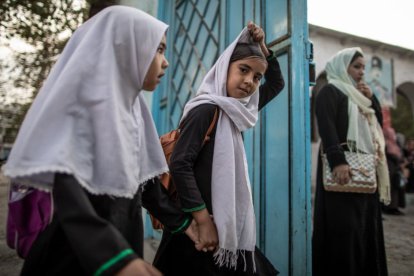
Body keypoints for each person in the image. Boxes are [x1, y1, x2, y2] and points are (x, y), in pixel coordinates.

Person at [2, 6, 197, 276]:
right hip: (76, 254)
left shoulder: (134, 110)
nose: (165, 62)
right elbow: (68, 190)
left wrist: (186, 224)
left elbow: (146, 184)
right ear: (125, 48)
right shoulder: (83, 107)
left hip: (123, 243)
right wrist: (116, 260)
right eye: (158, 49)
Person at [153, 22, 285, 275]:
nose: (250, 81)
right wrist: (202, 219)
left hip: (221, 221)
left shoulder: (238, 109)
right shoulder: (205, 109)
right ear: (224, 69)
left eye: (257, 77)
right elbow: (180, 164)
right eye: (243, 70)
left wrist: (265, 50)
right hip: (197, 222)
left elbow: (277, 83)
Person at [313, 47, 390, 276]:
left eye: (363, 68)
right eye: (356, 66)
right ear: (341, 66)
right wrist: (338, 162)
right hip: (343, 171)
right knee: (345, 230)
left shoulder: (359, 96)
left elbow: (376, 128)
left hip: (365, 171)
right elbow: (326, 128)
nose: (361, 72)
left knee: (366, 227)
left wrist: (371, 99)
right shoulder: (330, 91)